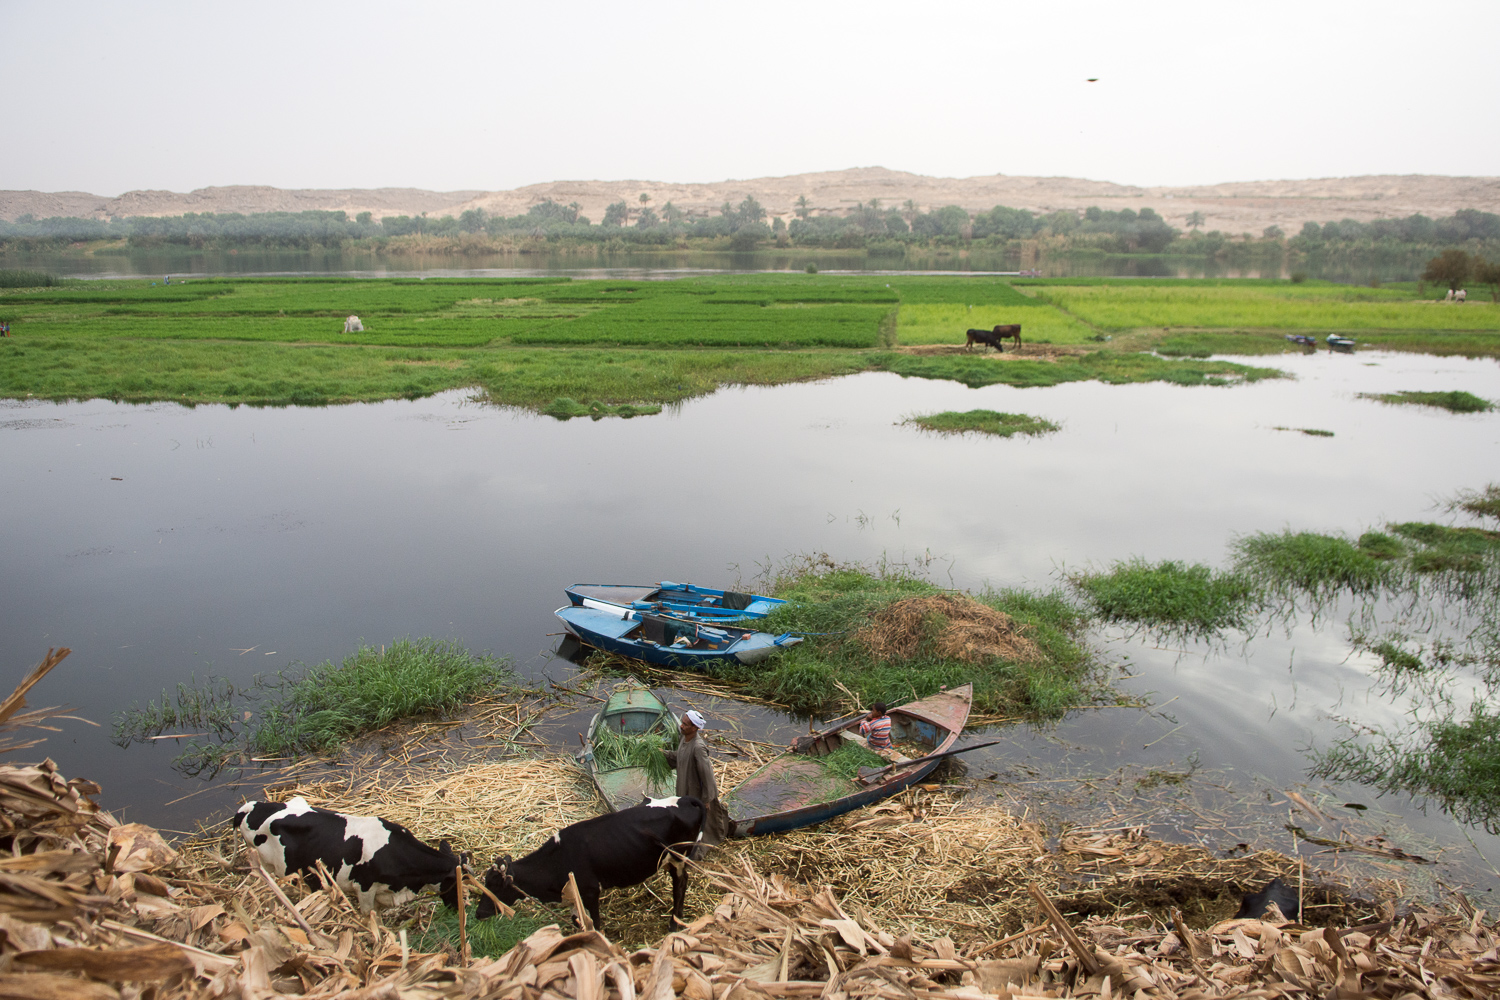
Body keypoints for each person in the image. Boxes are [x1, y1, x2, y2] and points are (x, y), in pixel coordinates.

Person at [662, 709, 724, 862]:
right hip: (684, 787)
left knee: (697, 824)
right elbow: (680, 757)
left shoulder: (698, 748)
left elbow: (707, 775)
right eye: (682, 722)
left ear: (695, 728)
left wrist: (707, 799)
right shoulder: (684, 739)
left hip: (695, 792)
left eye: (685, 724)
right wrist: (663, 754)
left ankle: (697, 854)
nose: (681, 726)